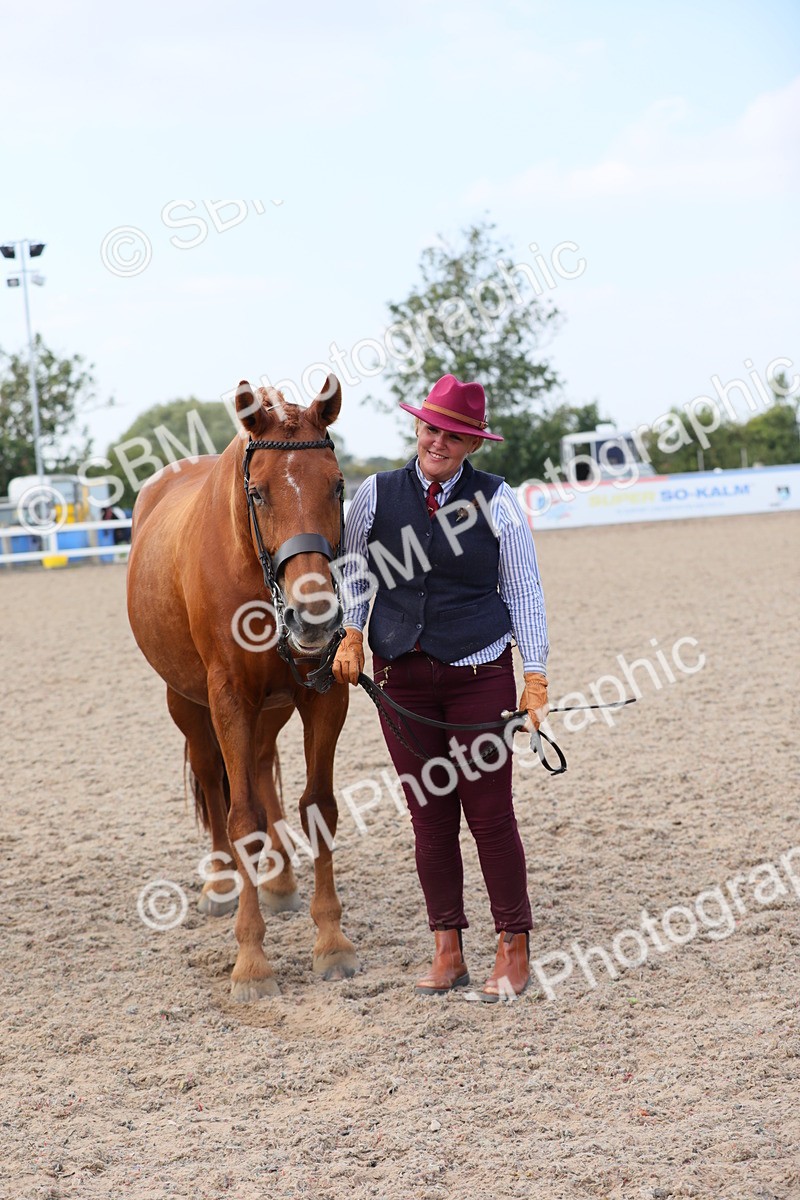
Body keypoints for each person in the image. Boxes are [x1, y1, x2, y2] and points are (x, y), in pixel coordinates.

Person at [332, 374, 550, 1002]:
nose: (439, 442)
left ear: (471, 444)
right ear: (417, 428)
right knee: (429, 820)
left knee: (489, 816)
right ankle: (447, 948)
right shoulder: (374, 496)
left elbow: (524, 591)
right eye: (432, 429)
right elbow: (355, 572)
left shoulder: (498, 501)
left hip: (479, 674)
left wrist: (533, 676)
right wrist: (352, 632)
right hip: (403, 679)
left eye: (454, 435)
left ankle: (513, 945)